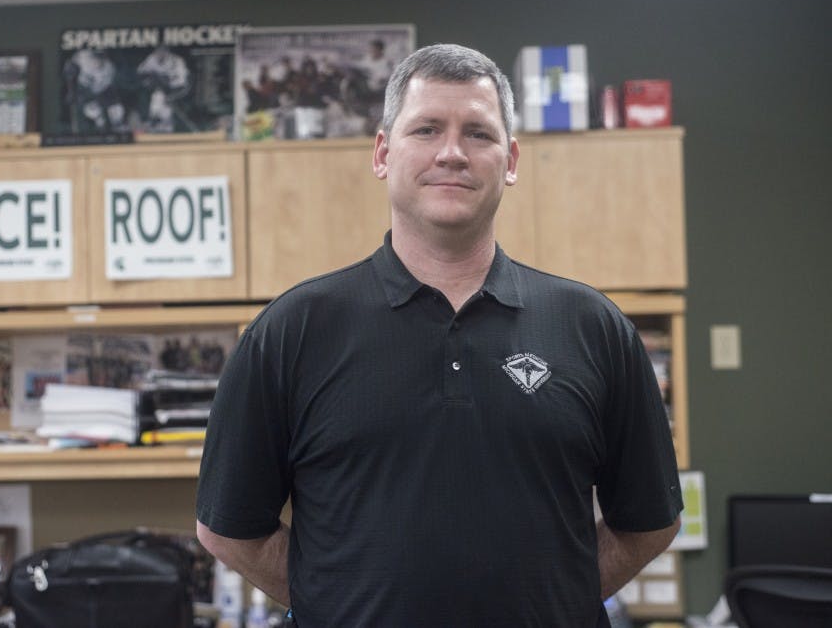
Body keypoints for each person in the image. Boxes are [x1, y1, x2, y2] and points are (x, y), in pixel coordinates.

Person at [196, 43, 682, 626]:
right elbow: (227, 529)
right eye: (426, 129)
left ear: (511, 160)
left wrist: (555, 599)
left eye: (478, 133)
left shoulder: (593, 328)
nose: (452, 153)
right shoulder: (291, 332)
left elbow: (651, 520)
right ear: (382, 153)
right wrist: (336, 604)